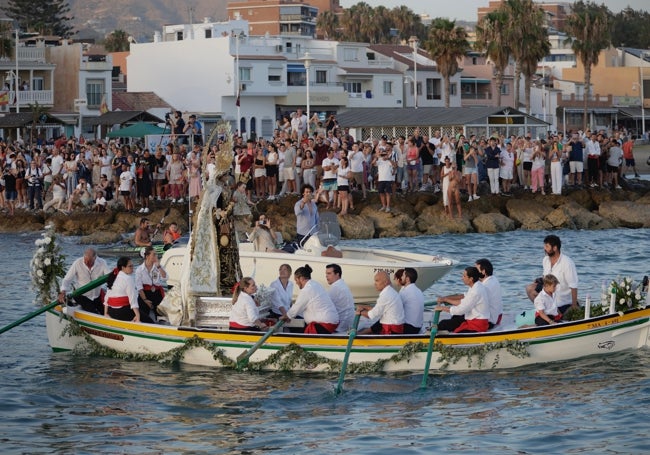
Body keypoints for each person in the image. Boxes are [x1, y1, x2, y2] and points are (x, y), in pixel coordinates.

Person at [525, 234, 579, 317]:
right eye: (544, 246)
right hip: (549, 296)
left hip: (562, 300)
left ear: (555, 248)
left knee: (564, 316)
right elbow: (546, 278)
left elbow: (573, 286)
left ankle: (556, 313)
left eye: (547, 246)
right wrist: (539, 280)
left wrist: (574, 305)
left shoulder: (567, 263)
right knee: (530, 288)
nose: (544, 249)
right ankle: (542, 309)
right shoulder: (545, 260)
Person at [282, 264, 339, 334]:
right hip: (331, 322)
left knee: (294, 329)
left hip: (325, 325)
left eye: (296, 280)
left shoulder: (307, 289)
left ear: (301, 278)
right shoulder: (315, 284)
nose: (296, 283)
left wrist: (286, 316)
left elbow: (297, 307)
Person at [435, 266, 490, 333]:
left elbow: (461, 310)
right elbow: (464, 301)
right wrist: (445, 299)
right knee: (454, 318)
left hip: (477, 325)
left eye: (464, 276)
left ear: (471, 279)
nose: (462, 278)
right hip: (474, 320)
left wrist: (442, 308)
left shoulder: (476, 291)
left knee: (445, 324)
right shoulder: (476, 286)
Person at [59, 248, 111, 314]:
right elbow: (67, 279)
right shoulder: (77, 263)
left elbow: (109, 277)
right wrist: (63, 291)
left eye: (89, 261)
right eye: (85, 260)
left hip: (96, 296)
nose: (86, 263)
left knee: (105, 313)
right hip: (80, 295)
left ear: (95, 258)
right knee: (94, 312)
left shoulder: (102, 262)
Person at [135, 246, 168, 324]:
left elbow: (165, 278)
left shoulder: (158, 266)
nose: (156, 256)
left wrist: (159, 266)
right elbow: (139, 287)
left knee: (161, 315)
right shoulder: (139, 269)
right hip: (145, 294)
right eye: (154, 254)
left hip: (156, 293)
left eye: (156, 254)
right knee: (143, 314)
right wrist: (145, 300)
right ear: (147, 256)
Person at [103, 257, 140, 322]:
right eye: (130, 266)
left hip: (111, 311)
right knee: (149, 320)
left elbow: (107, 297)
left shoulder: (113, 277)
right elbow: (132, 298)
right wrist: (138, 316)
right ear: (123, 268)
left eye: (132, 266)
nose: (132, 268)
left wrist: (106, 313)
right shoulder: (128, 278)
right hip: (122, 312)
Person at [325, 263, 355, 333]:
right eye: (326, 274)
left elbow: (325, 307)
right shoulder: (341, 284)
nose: (326, 276)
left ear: (337, 274)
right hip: (348, 321)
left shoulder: (336, 287)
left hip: (341, 325)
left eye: (329, 273)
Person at [475, 258, 503, 329]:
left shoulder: (485, 286)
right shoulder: (493, 279)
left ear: (483, 271)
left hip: (489, 321)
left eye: (476, 270)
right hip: (497, 316)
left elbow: (470, 300)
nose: (473, 272)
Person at [396, 267, 425, 334]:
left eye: (403, 275)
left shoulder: (406, 292)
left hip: (409, 328)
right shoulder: (418, 290)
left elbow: (394, 308)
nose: (401, 277)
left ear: (407, 279)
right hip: (418, 327)